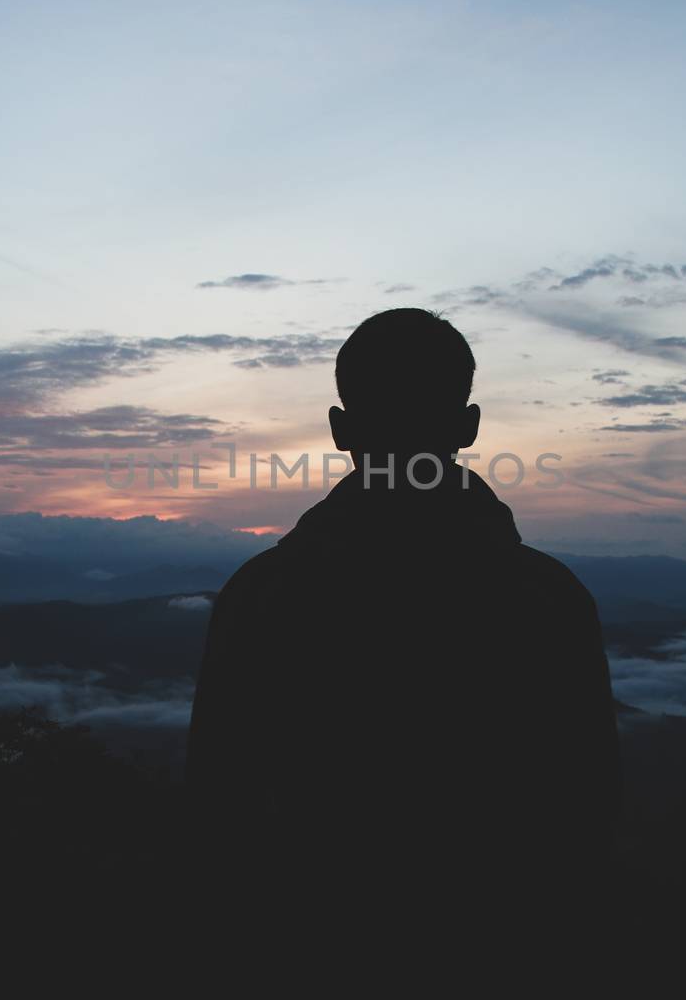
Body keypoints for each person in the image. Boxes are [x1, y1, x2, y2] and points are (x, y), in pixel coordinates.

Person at [185, 307, 620, 910]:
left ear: (341, 428)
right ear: (468, 426)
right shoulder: (549, 600)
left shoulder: (262, 597)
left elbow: (217, 815)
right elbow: (587, 817)